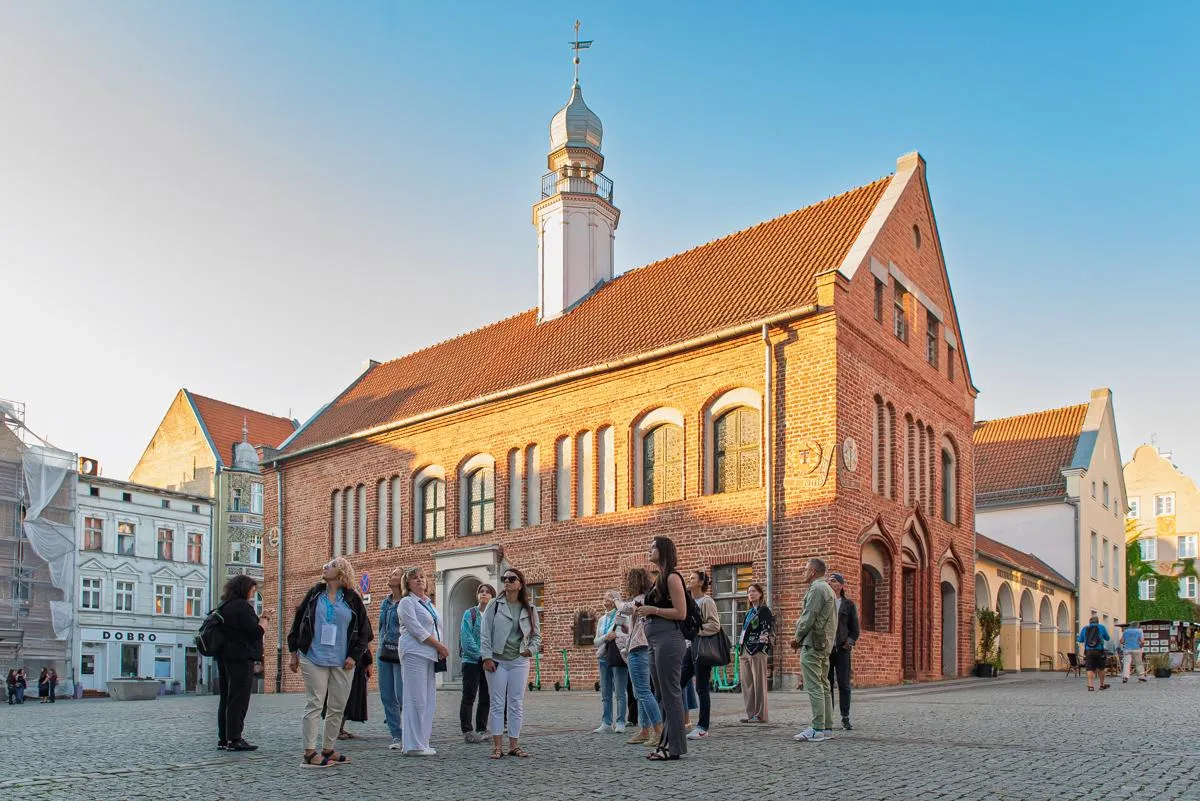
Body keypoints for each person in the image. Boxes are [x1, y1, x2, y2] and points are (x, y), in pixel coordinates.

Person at [286, 556, 371, 768]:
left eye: (331, 565)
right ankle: (309, 753)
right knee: (314, 703)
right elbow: (298, 622)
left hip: (343, 661)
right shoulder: (315, 593)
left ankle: (328, 749)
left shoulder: (352, 598)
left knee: (337, 706)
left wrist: (354, 656)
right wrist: (293, 652)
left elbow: (365, 631)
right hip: (313, 657)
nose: (325, 567)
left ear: (341, 572)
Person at [635, 536, 689, 761]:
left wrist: (653, 610)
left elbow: (681, 613)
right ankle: (668, 743)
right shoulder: (659, 578)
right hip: (655, 639)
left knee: (670, 693)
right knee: (661, 693)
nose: (649, 550)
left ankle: (672, 747)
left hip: (669, 638)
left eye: (653, 547)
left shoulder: (672, 577)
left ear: (663, 550)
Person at [481, 567, 541, 759]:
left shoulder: (530, 609)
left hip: (519, 661)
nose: (507, 581)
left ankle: (514, 745)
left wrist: (530, 650)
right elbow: (485, 633)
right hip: (497, 660)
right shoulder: (494, 605)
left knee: (516, 703)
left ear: (520, 584)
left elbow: (536, 636)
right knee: (497, 703)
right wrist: (486, 657)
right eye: (504, 578)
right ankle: (497, 746)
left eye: (511, 578)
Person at [397, 566, 449, 756]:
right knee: (415, 699)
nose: (420, 580)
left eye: (422, 577)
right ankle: (412, 745)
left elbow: (437, 628)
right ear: (407, 584)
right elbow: (417, 630)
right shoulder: (406, 602)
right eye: (415, 578)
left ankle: (423, 741)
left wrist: (438, 648)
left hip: (429, 654)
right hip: (414, 653)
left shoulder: (428, 603)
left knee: (428, 701)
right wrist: (440, 646)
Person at [217, 574, 271, 751]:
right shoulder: (242, 607)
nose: (253, 593)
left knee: (226, 698)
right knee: (239, 699)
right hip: (240, 657)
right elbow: (256, 632)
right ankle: (235, 738)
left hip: (224, 656)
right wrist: (265, 618)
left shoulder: (224, 605)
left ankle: (224, 738)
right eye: (252, 590)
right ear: (244, 589)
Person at [791, 557, 838, 742]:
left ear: (812, 571)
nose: (803, 572)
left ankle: (817, 728)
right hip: (824, 643)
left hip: (813, 643)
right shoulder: (828, 589)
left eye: (805, 569)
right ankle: (826, 728)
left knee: (815, 686)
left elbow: (809, 616)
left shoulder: (817, 588)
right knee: (823, 685)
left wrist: (797, 638)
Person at [617, 567, 660, 746]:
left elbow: (624, 608)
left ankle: (658, 730)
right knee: (640, 691)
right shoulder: (646, 598)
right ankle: (644, 730)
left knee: (643, 691)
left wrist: (616, 599)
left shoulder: (640, 599)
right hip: (642, 647)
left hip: (638, 648)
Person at [684, 570, 720, 740]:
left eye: (692, 578)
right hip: (689, 648)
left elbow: (715, 625)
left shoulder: (707, 601)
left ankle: (702, 727)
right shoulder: (688, 601)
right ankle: (676, 720)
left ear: (700, 582)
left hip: (702, 649)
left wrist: (695, 631)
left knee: (702, 687)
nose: (689, 580)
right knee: (679, 682)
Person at [460, 582, 496, 743]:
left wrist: (490, 657)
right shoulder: (470, 614)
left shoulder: (494, 616)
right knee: (469, 696)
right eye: (481, 591)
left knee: (485, 696)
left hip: (488, 661)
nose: (484, 593)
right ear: (477, 595)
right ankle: (467, 730)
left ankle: (482, 728)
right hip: (471, 661)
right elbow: (466, 638)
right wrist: (482, 656)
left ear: (493, 597)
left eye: (488, 592)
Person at [593, 589, 630, 734]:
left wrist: (617, 635)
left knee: (620, 691)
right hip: (604, 656)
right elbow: (596, 641)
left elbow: (628, 635)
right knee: (605, 692)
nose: (605, 599)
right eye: (604, 597)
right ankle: (606, 722)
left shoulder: (622, 616)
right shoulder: (602, 619)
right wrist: (606, 637)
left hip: (617, 655)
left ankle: (621, 721)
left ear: (615, 600)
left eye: (609, 597)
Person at [827, 572, 860, 730]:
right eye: (828, 581)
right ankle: (827, 717)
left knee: (843, 683)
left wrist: (849, 642)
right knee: (827, 683)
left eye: (833, 581)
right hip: (826, 648)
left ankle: (845, 717)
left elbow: (855, 629)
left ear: (840, 585)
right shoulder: (825, 602)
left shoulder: (848, 605)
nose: (829, 583)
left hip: (842, 648)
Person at [377, 568, 405, 749]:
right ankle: (397, 735)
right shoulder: (385, 602)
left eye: (395, 574)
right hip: (384, 652)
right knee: (387, 695)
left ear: (402, 580)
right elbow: (381, 628)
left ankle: (410, 732)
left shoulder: (407, 602)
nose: (390, 576)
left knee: (401, 695)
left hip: (400, 652)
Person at [739, 582, 774, 724]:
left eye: (753, 591)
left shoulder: (764, 610)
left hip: (757, 650)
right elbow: (744, 631)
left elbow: (766, 629)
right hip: (745, 650)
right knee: (747, 684)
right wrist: (740, 647)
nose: (751, 594)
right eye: (749, 592)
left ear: (760, 594)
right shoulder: (748, 613)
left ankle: (760, 716)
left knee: (759, 683)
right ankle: (751, 714)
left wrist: (760, 646)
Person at [329, 643, 373, 739]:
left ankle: (340, 728)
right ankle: (336, 729)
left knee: (352, 697)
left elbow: (367, 642)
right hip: (347, 659)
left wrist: (369, 663)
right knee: (344, 696)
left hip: (359, 662)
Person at [1078, 614, 1111, 691]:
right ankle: (1102, 685)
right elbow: (1107, 638)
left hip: (1089, 651)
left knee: (1089, 668)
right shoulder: (1102, 627)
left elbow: (1080, 640)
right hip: (1099, 650)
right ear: (1098, 622)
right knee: (1101, 668)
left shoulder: (1085, 628)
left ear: (1089, 622)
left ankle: (1091, 686)